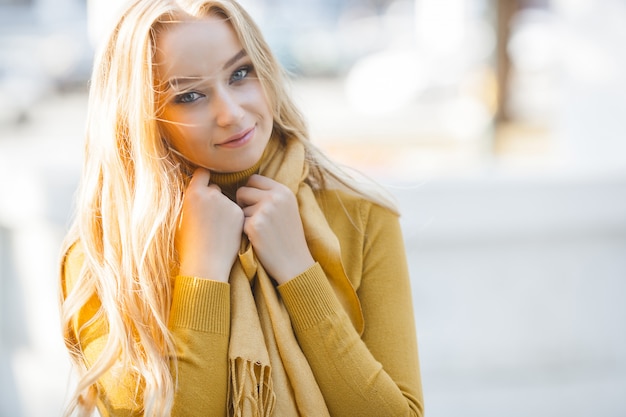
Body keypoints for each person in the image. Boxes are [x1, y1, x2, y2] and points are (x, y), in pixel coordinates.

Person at [59, 0, 424, 416]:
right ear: (142, 120)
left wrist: (299, 272)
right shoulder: (106, 256)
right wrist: (203, 271)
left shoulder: (362, 218)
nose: (231, 114)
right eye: (190, 95)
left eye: (240, 73)